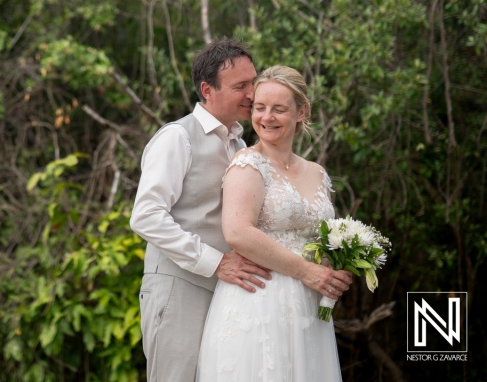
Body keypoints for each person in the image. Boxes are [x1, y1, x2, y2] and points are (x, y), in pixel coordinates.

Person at [196, 65, 352, 381]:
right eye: (260, 108)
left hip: (309, 307)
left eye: (279, 109)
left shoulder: (317, 172)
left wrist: (336, 269)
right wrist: (307, 271)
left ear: (301, 111)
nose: (266, 118)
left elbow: (323, 236)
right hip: (260, 301)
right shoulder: (248, 165)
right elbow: (238, 232)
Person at [130, 38, 273, 382]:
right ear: (208, 90)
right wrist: (216, 262)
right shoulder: (176, 137)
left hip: (229, 295)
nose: (252, 94)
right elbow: (146, 216)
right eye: (241, 86)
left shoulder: (241, 144)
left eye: (252, 82)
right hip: (179, 289)